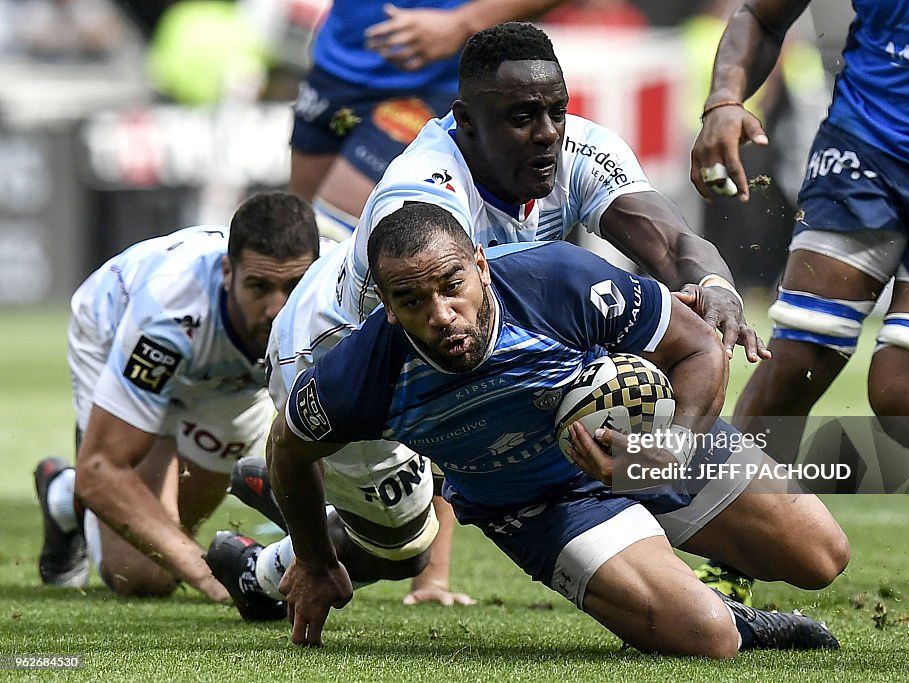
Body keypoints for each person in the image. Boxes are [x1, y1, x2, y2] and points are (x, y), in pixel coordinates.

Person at [229, 202, 849, 654]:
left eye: (453, 287)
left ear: (480, 266)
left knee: (822, 555)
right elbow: (287, 448)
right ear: (387, 307)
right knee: (706, 637)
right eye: (414, 302)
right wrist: (312, 560)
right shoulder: (359, 374)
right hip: (537, 502)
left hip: (644, 437)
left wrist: (670, 447)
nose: (442, 315)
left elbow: (698, 348)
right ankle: (736, 615)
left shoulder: (555, 279)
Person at [691, 0, 909, 508]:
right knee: (799, 355)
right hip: (866, 148)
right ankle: (729, 556)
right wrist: (723, 101)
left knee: (908, 405)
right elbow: (761, 15)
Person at [33, 192, 319, 611]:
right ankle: (65, 488)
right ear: (228, 272)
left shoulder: (335, 288)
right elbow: (102, 469)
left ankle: (62, 500)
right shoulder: (167, 316)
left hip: (233, 374)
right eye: (259, 286)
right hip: (120, 333)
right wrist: (210, 579)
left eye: (293, 287)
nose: (277, 309)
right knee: (141, 575)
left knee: (164, 540)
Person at [290, 0, 567, 239]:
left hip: (432, 81)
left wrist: (462, 24)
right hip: (334, 66)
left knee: (332, 233)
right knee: (297, 237)